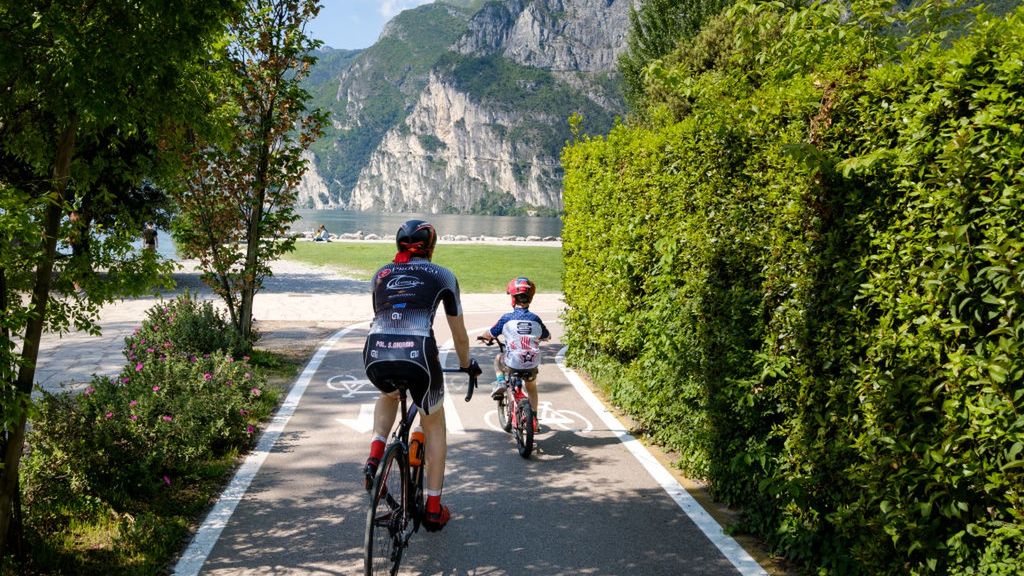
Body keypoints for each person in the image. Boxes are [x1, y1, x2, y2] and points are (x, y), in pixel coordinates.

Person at [362, 219, 480, 532]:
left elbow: (383, 315)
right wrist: (467, 364)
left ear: (398, 245)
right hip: (419, 357)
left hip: (375, 353)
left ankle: (376, 453)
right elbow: (460, 335)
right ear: (431, 247)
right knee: (434, 422)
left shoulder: (381, 273)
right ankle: (432, 508)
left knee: (388, 394)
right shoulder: (443, 275)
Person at [478, 277, 550, 431]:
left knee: (498, 359)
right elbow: (546, 335)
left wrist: (484, 337)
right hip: (532, 363)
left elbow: (490, 333)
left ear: (513, 298)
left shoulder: (507, 318)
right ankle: (534, 418)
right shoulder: (535, 319)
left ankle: (501, 383)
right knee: (531, 387)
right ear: (530, 298)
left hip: (513, 362)